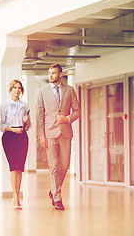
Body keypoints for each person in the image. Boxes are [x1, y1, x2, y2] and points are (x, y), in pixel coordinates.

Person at [36, 64, 80, 210]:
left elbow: (77, 111)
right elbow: (40, 115)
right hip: (49, 133)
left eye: (54, 73)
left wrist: (66, 119)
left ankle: (54, 189)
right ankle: (57, 198)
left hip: (65, 131)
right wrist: (41, 135)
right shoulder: (42, 91)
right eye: (49, 73)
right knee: (54, 165)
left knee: (65, 165)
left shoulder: (70, 90)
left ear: (60, 74)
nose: (51, 75)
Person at [0, 79, 30, 209]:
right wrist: (13, 129)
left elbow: (29, 126)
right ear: (10, 90)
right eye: (14, 88)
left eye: (19, 88)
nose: (17, 90)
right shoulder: (4, 105)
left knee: (20, 167)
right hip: (9, 136)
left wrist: (27, 121)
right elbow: (1, 125)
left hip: (22, 136)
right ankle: (16, 198)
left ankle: (16, 195)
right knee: (13, 166)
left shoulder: (25, 105)